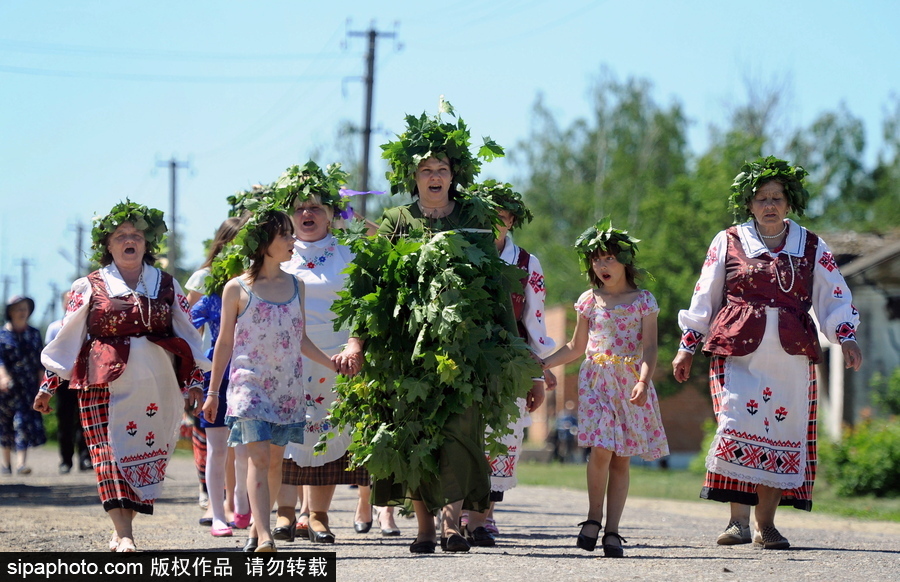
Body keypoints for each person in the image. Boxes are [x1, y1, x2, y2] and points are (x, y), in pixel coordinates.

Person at [337, 100, 545, 555]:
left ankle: (453, 525)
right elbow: (372, 288)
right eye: (426, 168)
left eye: (442, 168)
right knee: (414, 433)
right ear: (413, 176)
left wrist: (526, 365)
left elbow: (495, 290)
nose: (435, 175)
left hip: (464, 345)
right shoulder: (395, 221)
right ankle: (425, 528)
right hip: (405, 346)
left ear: (454, 175)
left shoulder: (473, 219)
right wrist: (357, 340)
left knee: (459, 433)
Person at [672, 156, 863, 550]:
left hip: (791, 356)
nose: (770, 205)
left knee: (780, 433)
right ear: (750, 204)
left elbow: (833, 292)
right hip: (737, 349)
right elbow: (704, 294)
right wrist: (687, 346)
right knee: (736, 425)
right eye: (761, 198)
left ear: (789, 203)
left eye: (777, 197)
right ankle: (737, 522)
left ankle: (766, 526)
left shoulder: (811, 244)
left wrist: (845, 336)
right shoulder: (728, 240)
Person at [35, 200, 209, 552]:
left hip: (155, 384)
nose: (129, 240)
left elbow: (188, 333)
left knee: (140, 451)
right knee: (107, 452)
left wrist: (194, 380)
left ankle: (121, 529)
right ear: (108, 246)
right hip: (103, 380)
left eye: (136, 235)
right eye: (120, 236)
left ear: (147, 244)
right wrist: (49, 384)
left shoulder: (167, 284)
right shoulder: (88, 286)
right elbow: (68, 336)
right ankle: (124, 532)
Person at [203, 204, 339, 553]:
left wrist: (331, 364)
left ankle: (256, 530)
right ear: (265, 242)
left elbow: (301, 338)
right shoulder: (237, 288)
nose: (293, 239)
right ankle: (263, 535)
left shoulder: (297, 286)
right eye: (285, 234)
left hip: (287, 389)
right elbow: (224, 343)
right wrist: (214, 392)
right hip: (248, 387)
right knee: (259, 459)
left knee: (277, 461)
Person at [541, 217, 669, 557]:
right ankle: (592, 519)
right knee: (600, 448)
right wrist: (542, 364)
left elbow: (651, 348)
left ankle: (612, 530)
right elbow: (575, 346)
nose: (602, 265)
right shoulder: (589, 300)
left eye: (609, 258)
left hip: (630, 382)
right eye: (596, 260)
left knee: (621, 459)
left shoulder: (643, 300)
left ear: (625, 260)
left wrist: (643, 380)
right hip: (596, 381)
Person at [272, 161, 375, 545]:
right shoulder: (277, 253)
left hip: (336, 360)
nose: (307, 213)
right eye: (299, 207)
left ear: (333, 213)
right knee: (285, 434)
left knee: (328, 433)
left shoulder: (349, 253)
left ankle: (317, 515)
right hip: (285, 357)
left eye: (317, 206)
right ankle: (284, 514)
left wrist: (355, 343)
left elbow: (367, 303)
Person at [462, 181, 556, 541]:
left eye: (500, 216)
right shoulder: (466, 252)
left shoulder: (527, 262)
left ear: (512, 219)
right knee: (467, 431)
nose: (493, 223)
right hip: (468, 356)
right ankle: (464, 514)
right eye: (486, 216)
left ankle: (485, 516)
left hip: (510, 358)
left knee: (503, 432)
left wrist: (536, 374)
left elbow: (535, 320)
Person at [187, 216, 248, 537]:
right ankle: (218, 510)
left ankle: (241, 503)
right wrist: (192, 376)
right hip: (215, 372)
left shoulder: (256, 278)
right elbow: (186, 327)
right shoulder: (206, 279)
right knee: (218, 446)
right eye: (236, 243)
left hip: (252, 371)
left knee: (246, 447)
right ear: (223, 244)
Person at [44, 291, 91, 474]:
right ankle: (65, 460)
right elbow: (50, 357)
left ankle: (85, 459)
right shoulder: (55, 327)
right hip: (64, 381)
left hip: (86, 380)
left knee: (85, 420)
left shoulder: (89, 326)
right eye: (69, 301)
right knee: (65, 421)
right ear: (65, 304)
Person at [0, 295, 46, 475]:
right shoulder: (2, 335)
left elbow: (40, 361)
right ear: (10, 312)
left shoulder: (34, 334)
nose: (22, 312)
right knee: (5, 425)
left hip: (27, 387)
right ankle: (6, 464)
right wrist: (3, 378)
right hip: (6, 388)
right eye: (18, 308)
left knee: (22, 422)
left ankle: (21, 464)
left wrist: (44, 386)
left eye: (25, 308)